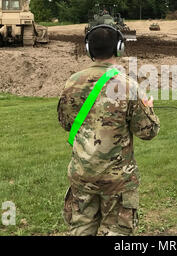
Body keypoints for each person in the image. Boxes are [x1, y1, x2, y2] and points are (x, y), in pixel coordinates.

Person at [57, 24, 160, 235]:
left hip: (82, 174)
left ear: (88, 49)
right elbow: (148, 132)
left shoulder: (73, 82)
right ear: (120, 48)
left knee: (81, 229)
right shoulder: (129, 86)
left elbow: (66, 122)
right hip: (118, 181)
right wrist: (148, 109)